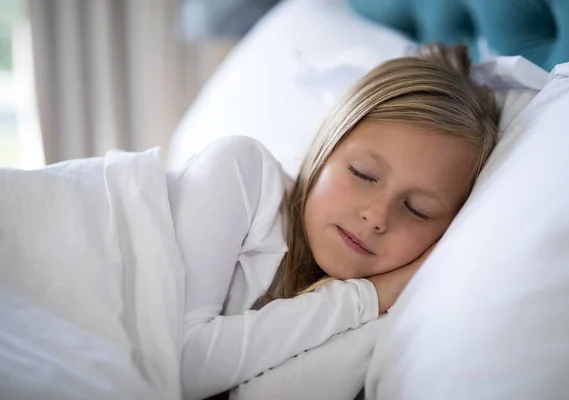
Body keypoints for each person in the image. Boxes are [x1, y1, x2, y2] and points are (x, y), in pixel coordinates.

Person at [167, 43, 499, 400]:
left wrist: (382, 301)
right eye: (363, 174)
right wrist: (367, 297)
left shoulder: (382, 323)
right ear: (327, 146)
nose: (376, 216)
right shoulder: (240, 174)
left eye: (417, 209)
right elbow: (175, 367)